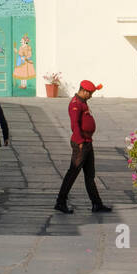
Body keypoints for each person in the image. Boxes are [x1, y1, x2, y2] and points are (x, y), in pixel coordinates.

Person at [54, 80, 112, 214]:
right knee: (72, 173)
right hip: (81, 144)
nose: (91, 96)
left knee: (90, 175)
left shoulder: (83, 102)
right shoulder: (76, 104)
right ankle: (60, 201)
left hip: (87, 142)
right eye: (90, 93)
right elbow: (75, 124)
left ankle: (97, 204)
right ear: (84, 91)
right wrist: (80, 142)